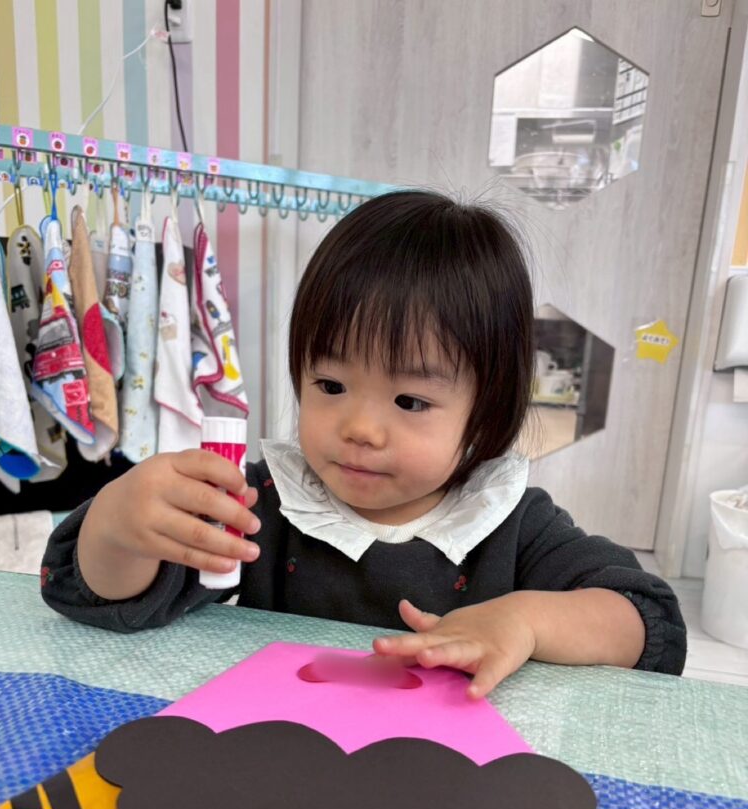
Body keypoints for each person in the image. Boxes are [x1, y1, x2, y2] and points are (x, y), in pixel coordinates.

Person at [41, 190, 686, 696]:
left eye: (411, 402)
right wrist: (117, 528)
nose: (360, 429)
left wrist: (525, 621)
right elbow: (102, 598)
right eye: (330, 384)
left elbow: (647, 620)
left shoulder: (507, 523)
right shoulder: (263, 502)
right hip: (286, 757)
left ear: (486, 410)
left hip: (448, 775)